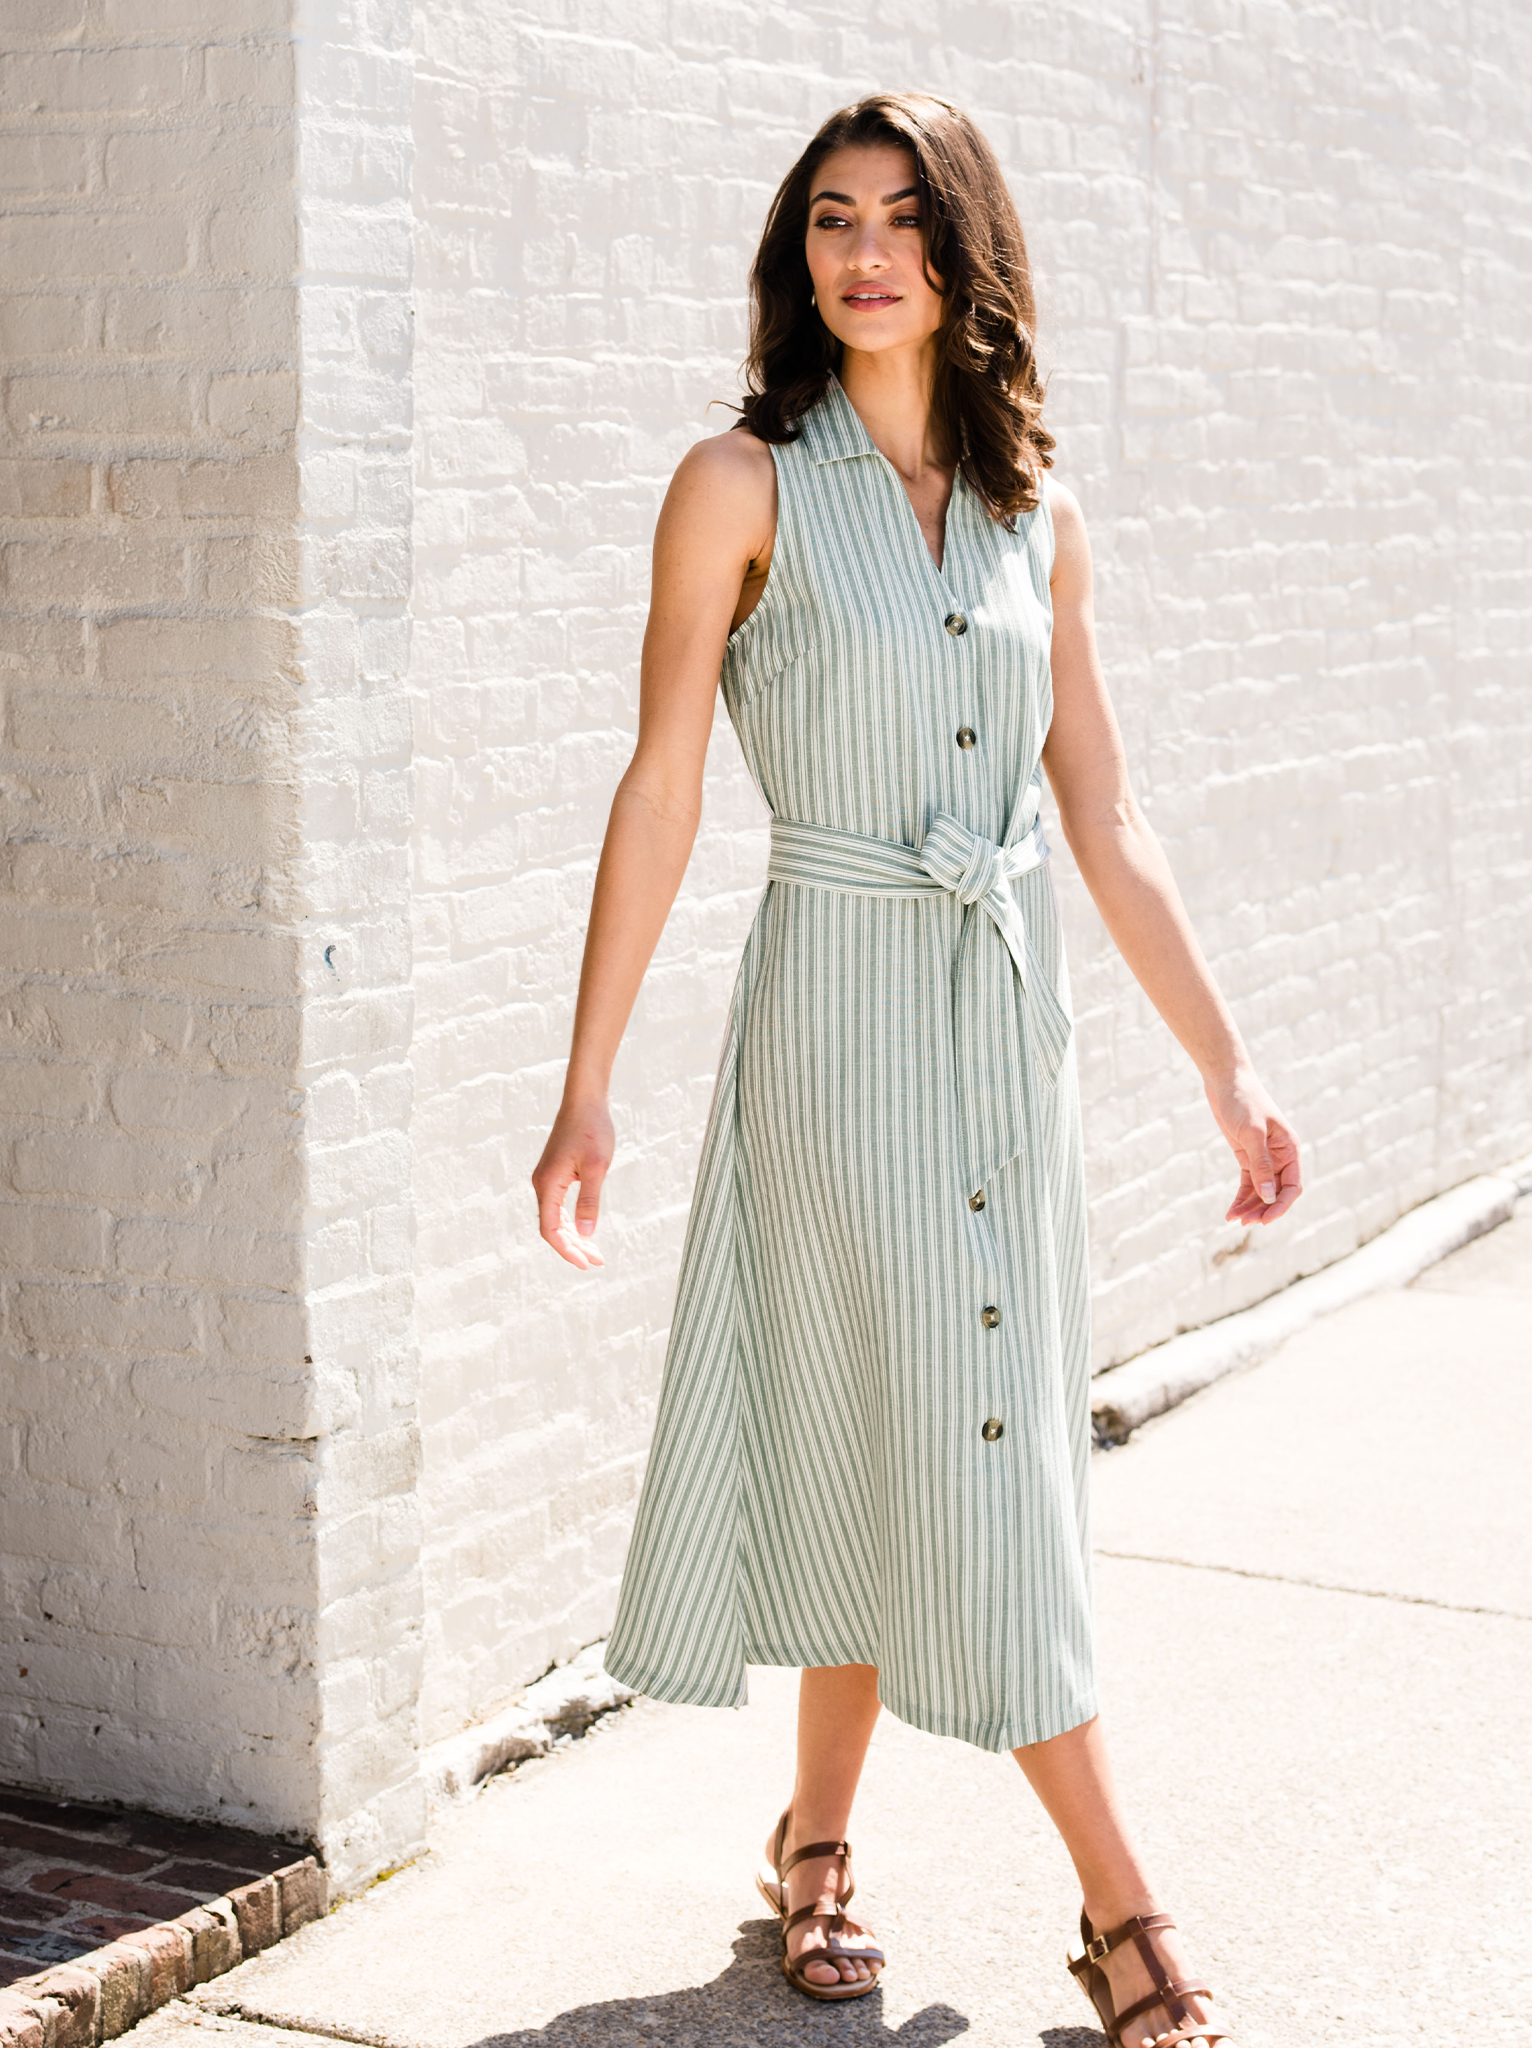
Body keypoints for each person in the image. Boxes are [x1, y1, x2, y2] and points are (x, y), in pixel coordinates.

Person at [532, 91, 1300, 2048]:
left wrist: (1224, 1069)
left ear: (967, 254)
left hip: (998, 1025)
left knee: (928, 1423)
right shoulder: (740, 483)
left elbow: (1104, 813)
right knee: (964, 1444)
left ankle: (814, 1842)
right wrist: (588, 1074)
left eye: (904, 219)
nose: (864, 252)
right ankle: (1127, 1921)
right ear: (798, 261)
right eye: (829, 222)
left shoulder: (1043, 506)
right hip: (838, 1020)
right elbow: (662, 783)